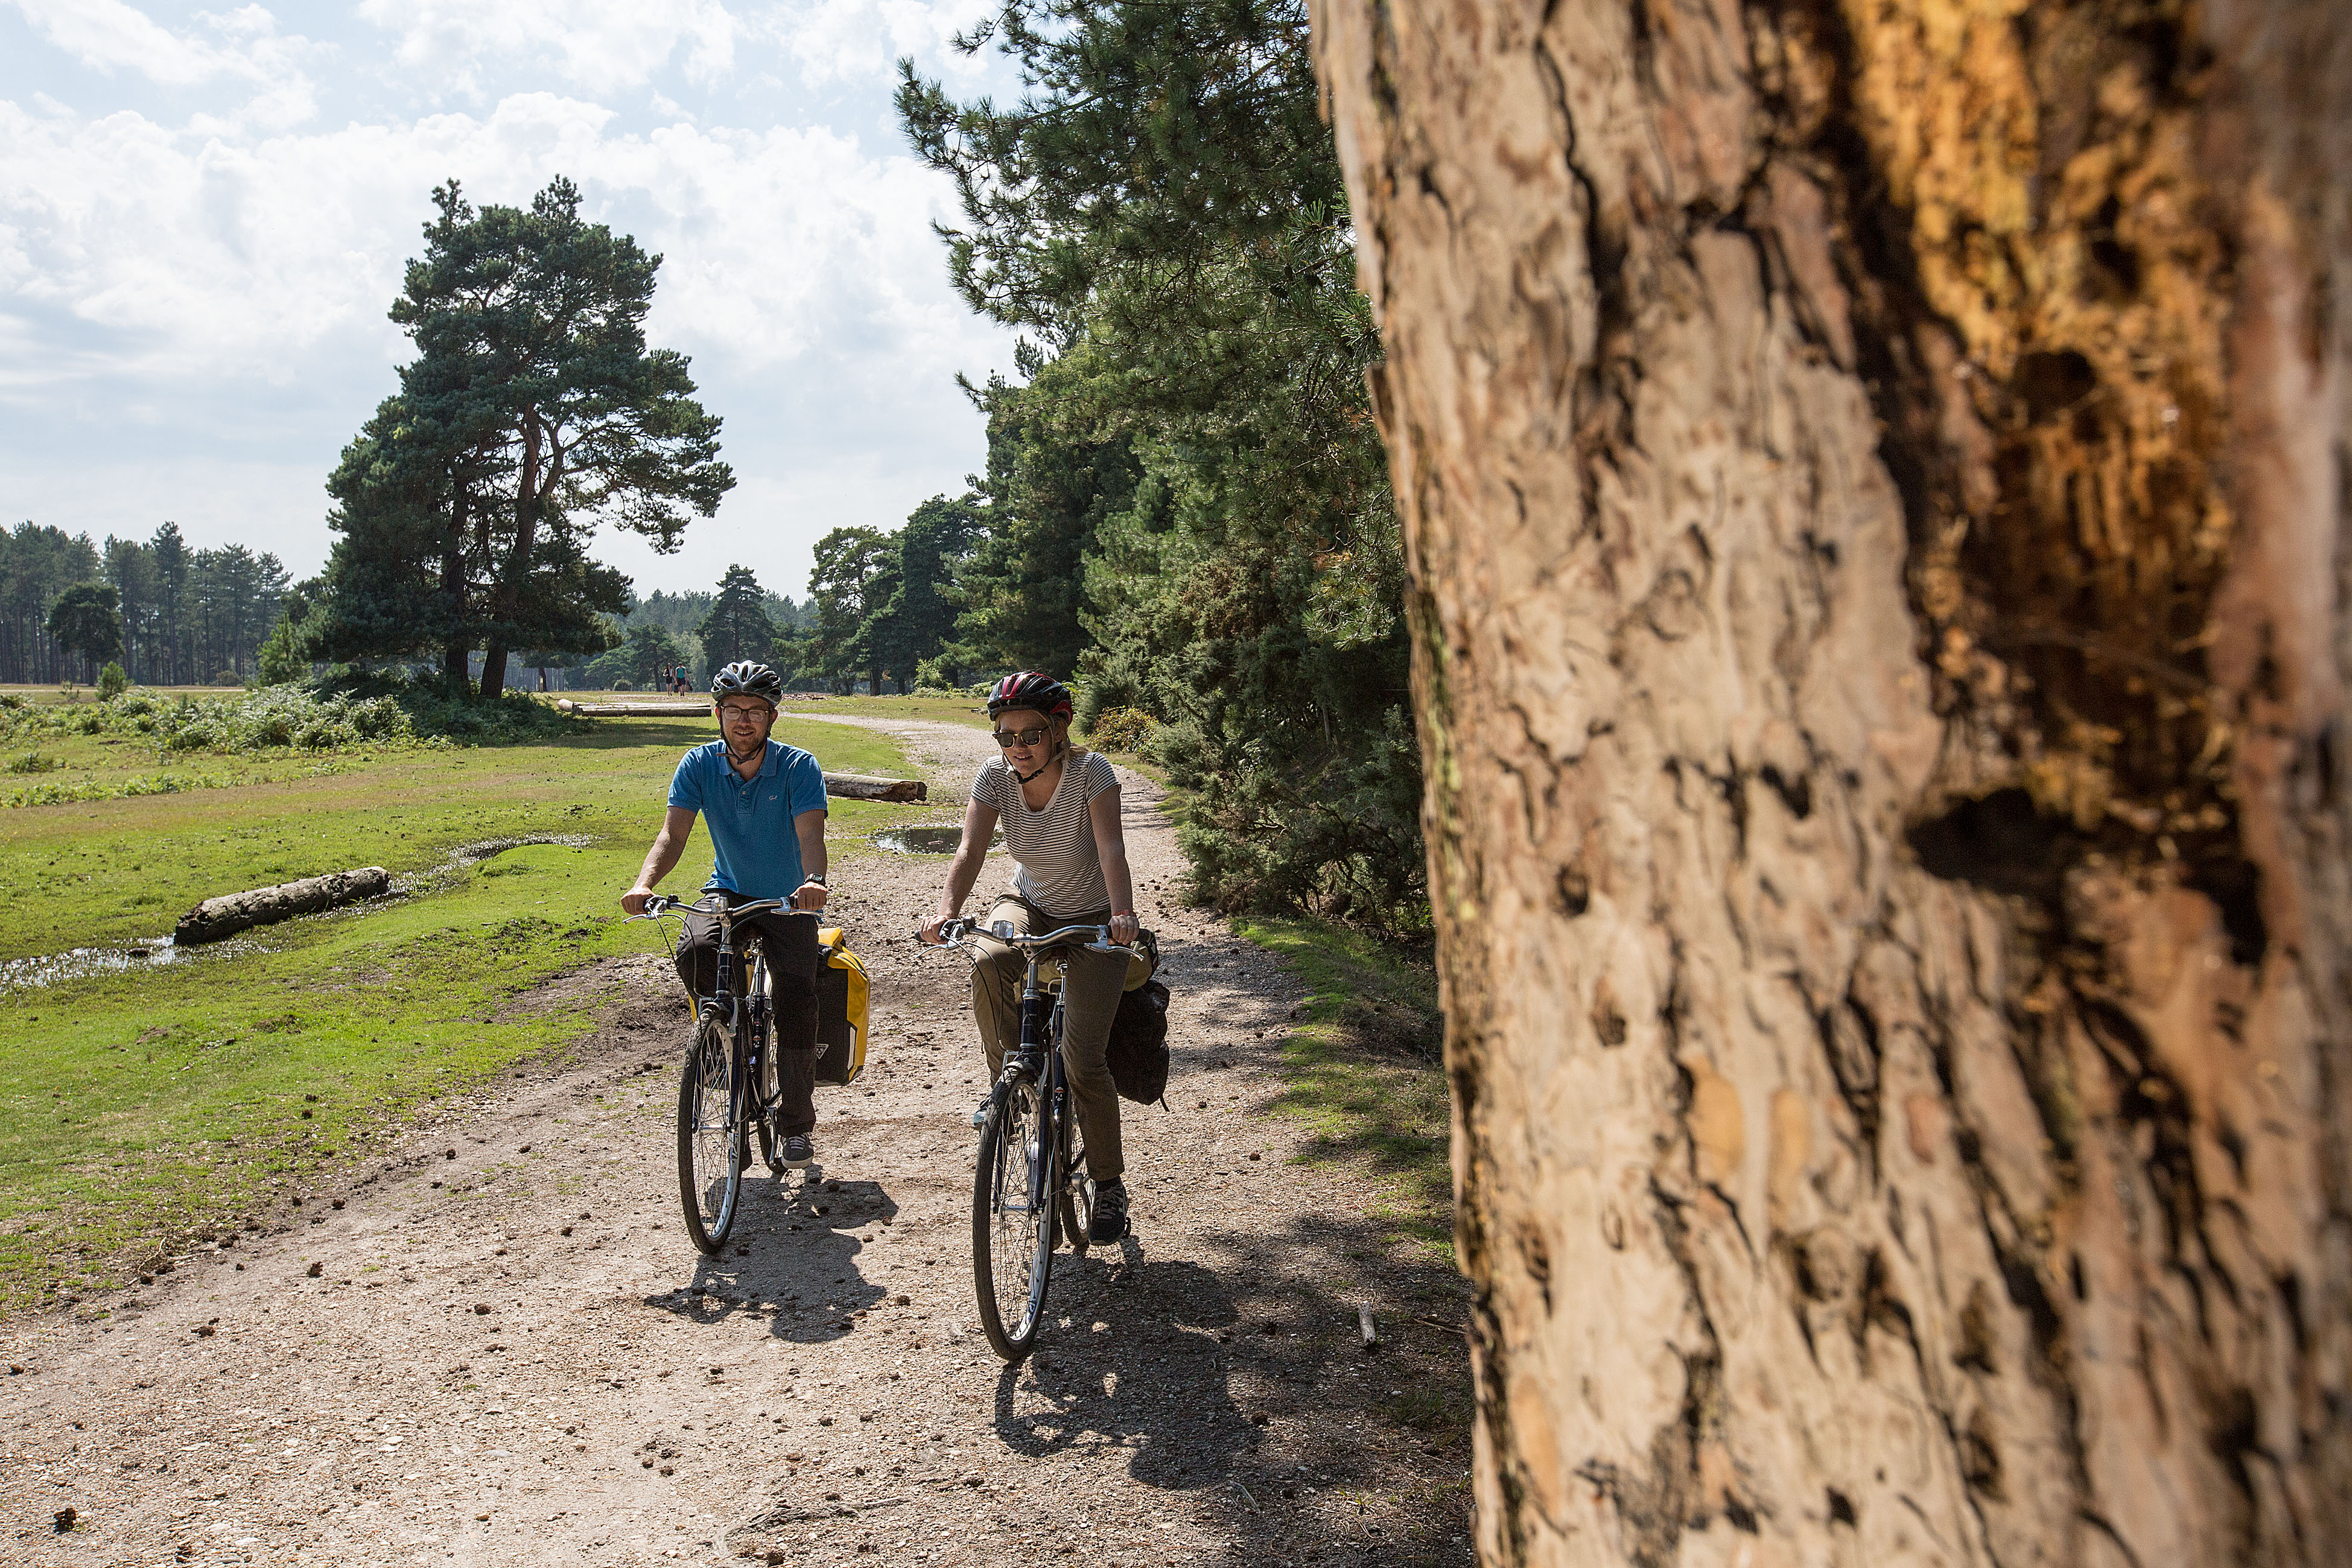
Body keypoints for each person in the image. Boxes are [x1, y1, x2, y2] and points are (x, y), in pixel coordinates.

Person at [920, 671, 1141, 1242]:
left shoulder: (1093, 773)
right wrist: (947, 910)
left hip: (1094, 916)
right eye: (1006, 735)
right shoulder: (994, 777)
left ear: (1060, 728)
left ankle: (1109, 1183)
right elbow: (970, 849)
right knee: (989, 957)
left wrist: (1122, 916)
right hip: (1030, 901)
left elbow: (1112, 849)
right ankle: (1010, 1082)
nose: (1017, 747)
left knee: (1083, 1059)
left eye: (1032, 734)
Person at [623, 661, 832, 1167]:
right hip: (728, 892)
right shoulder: (697, 765)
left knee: (797, 995)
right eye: (734, 710)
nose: (744, 720)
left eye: (755, 711)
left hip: (787, 898)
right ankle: (726, 1041)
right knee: (695, 949)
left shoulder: (799, 766)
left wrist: (813, 883)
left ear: (772, 717)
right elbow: (672, 836)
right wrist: (644, 882)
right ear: (718, 713)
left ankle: (797, 1123)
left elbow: (811, 838)